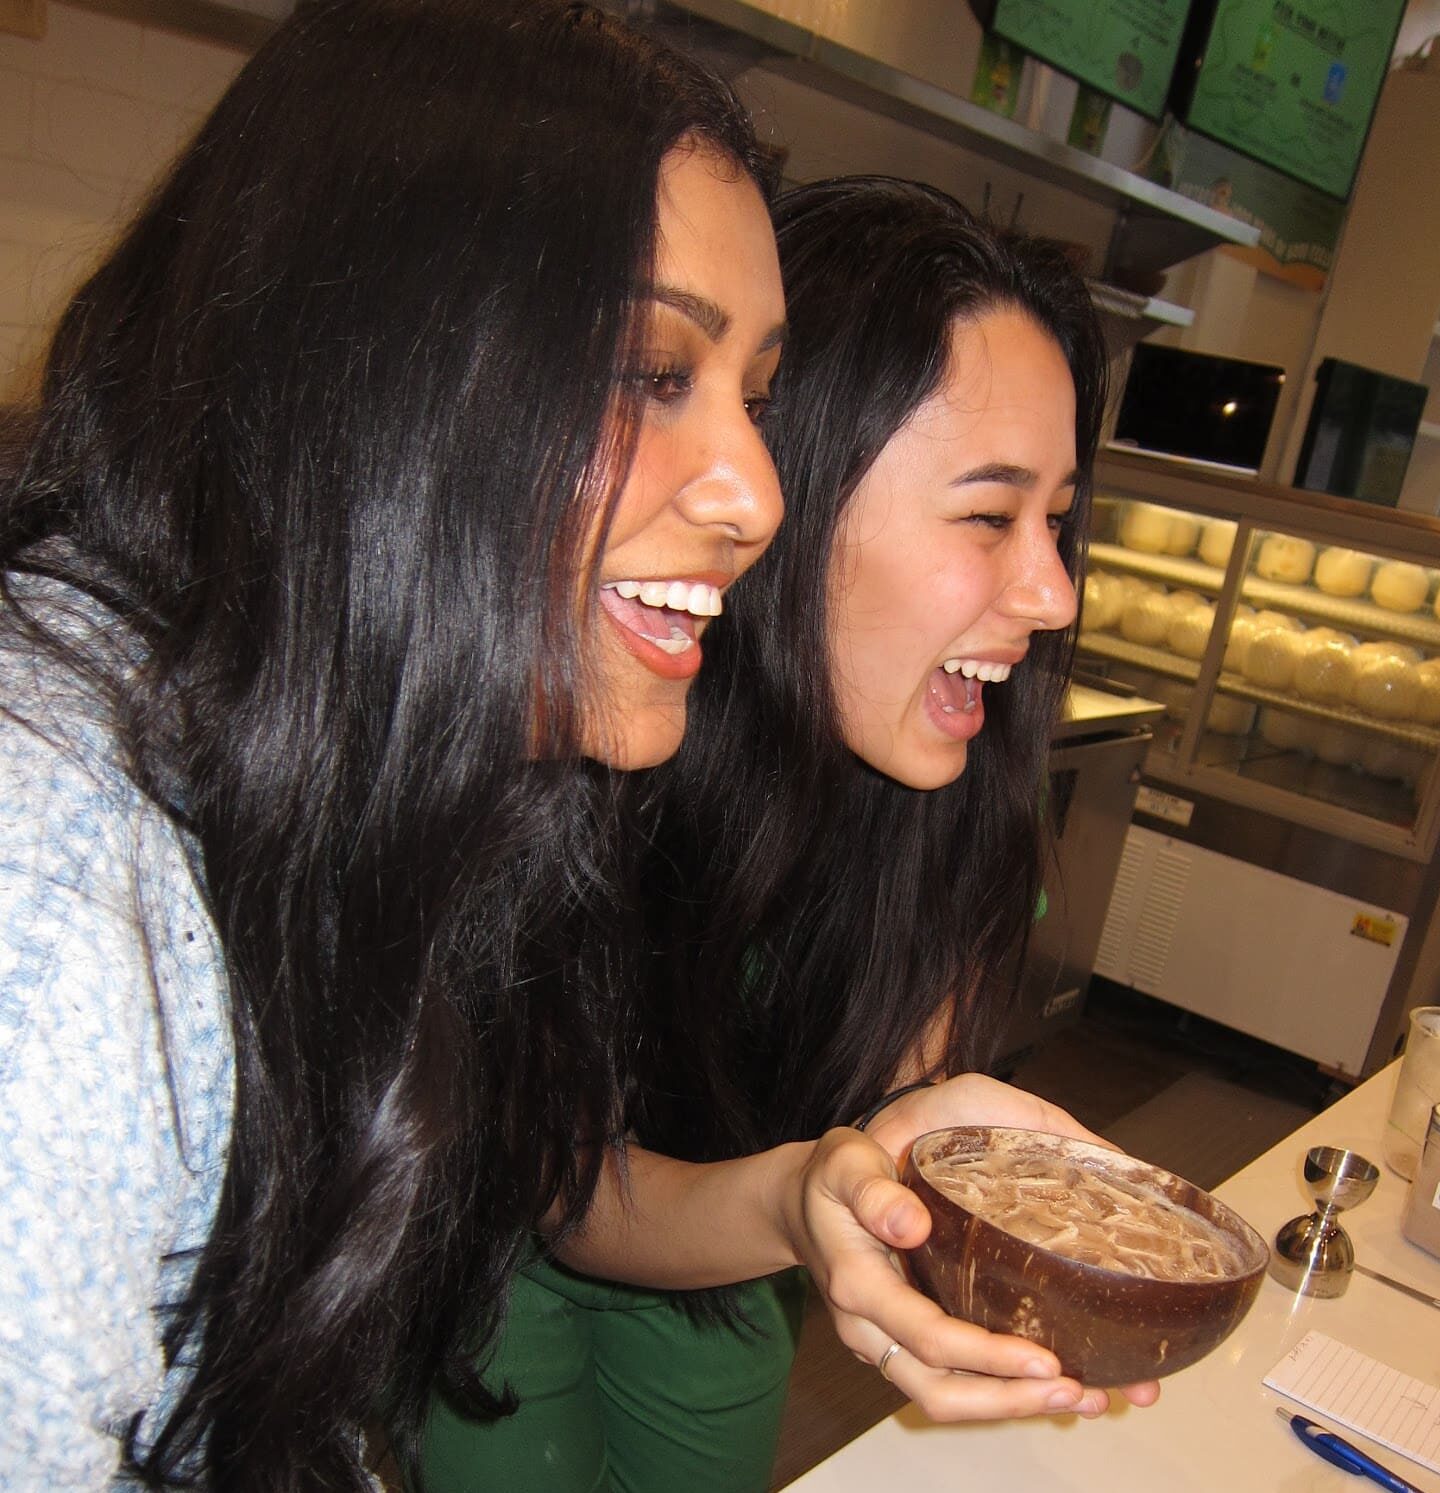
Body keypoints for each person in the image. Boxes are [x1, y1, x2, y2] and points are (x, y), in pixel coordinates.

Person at [0, 0, 793, 1484]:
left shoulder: (312, 783)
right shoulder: (47, 901)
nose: (757, 492)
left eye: (755, 396)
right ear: (379, 360)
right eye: (647, 371)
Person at [420, 177, 1159, 1493]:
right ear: (795, 501)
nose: (1052, 592)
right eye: (988, 515)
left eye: (1056, 520)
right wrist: (804, 1197)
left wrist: (911, 1179)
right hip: (494, 1229)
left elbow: (876, 1126)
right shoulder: (578, 746)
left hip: (739, 1241)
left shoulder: (949, 796)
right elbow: (566, 1193)